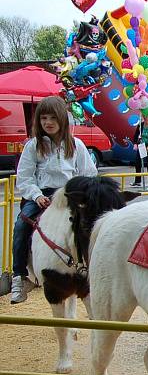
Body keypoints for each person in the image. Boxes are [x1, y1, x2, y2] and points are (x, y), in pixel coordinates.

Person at [11, 96, 97, 303]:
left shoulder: (76, 145)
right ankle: (20, 276)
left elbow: (89, 173)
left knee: (93, 225)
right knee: (21, 227)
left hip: (70, 194)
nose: (47, 122)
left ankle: (98, 268)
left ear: (62, 119)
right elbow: (24, 177)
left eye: (52, 118)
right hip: (41, 195)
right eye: (43, 118)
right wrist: (37, 195)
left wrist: (80, 194)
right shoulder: (33, 146)